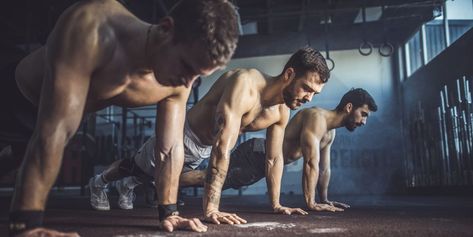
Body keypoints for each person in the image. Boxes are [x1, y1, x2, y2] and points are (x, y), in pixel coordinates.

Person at [1, 0, 240, 236]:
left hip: (36, 131)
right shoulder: (92, 27)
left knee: (13, 163)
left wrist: (169, 213)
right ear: (166, 28)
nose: (187, 83)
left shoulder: (177, 81)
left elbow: (169, 148)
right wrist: (27, 227)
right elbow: (56, 129)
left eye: (197, 77)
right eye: (186, 66)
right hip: (11, 99)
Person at [90, 47, 331, 224]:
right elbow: (222, 148)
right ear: (289, 74)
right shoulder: (245, 85)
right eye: (307, 88)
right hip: (183, 135)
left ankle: (132, 184)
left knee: (176, 176)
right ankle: (99, 182)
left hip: (202, 151)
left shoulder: (280, 112)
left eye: (315, 93)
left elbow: (274, 159)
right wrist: (211, 209)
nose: (309, 98)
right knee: (137, 167)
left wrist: (277, 204)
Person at [181, 88, 378, 212]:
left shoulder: (330, 133)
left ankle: (163, 183)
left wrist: (324, 199)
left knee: (216, 180)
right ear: (349, 107)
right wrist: (311, 203)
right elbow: (311, 163)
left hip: (264, 159)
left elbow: (324, 169)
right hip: (257, 153)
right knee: (213, 177)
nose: (364, 121)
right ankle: (159, 181)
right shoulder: (317, 118)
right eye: (363, 114)